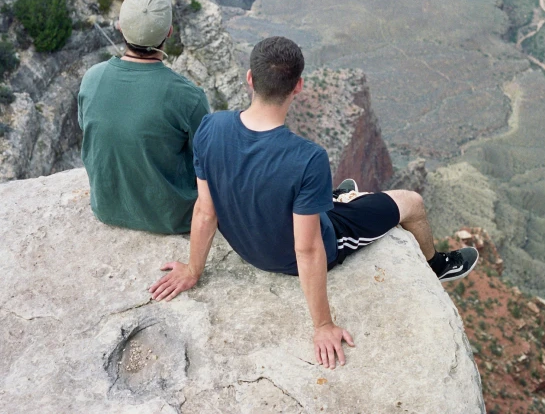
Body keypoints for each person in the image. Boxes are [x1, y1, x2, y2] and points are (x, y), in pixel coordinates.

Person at [149, 36, 478, 368]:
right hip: (301, 253)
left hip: (246, 249)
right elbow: (307, 249)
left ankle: (331, 200)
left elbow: (206, 210)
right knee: (411, 201)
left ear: (250, 79)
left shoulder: (210, 127)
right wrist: (322, 326)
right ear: (299, 87)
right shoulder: (307, 158)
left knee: (321, 198)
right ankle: (435, 265)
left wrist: (193, 270)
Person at [78, 0, 210, 234]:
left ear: (120, 26)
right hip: (172, 218)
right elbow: (206, 161)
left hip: (106, 207)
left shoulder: (92, 78)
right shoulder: (188, 96)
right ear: (169, 33)